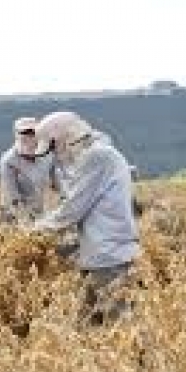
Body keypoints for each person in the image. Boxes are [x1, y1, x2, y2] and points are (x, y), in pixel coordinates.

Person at [26, 111, 139, 326]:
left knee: (120, 327)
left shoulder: (97, 156)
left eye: (52, 147)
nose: (54, 154)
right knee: (86, 326)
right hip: (98, 255)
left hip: (109, 257)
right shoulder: (96, 155)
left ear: (64, 139)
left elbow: (72, 209)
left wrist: (35, 230)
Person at [0, 117, 60, 224]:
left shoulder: (47, 155)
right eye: (25, 132)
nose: (30, 135)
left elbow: (57, 184)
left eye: (33, 132)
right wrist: (28, 223)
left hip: (39, 211)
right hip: (13, 215)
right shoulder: (8, 161)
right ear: (17, 135)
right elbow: (13, 198)